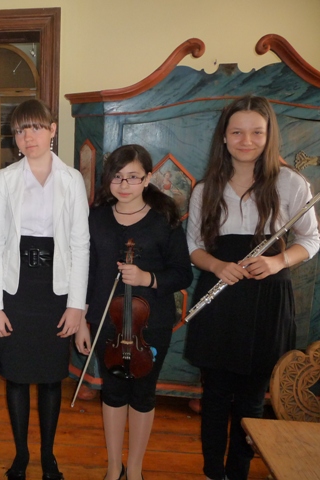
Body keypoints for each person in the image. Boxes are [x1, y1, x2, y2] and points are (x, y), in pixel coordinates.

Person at [184, 95, 320, 480]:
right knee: (214, 395)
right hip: (220, 293)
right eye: (237, 132)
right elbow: (194, 246)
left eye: (257, 132)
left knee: (251, 398)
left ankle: (239, 472)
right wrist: (217, 266)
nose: (247, 141)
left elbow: (311, 239)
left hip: (267, 296)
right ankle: (214, 471)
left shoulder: (291, 183)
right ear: (224, 137)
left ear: (269, 135)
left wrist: (278, 261)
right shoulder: (205, 188)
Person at [0, 98, 90, 480]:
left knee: (50, 376)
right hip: (16, 288)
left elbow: (81, 246)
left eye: (35, 128)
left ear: (52, 130)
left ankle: (47, 456)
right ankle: (21, 455)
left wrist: (76, 306)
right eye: (20, 130)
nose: (28, 137)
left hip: (55, 289)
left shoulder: (72, 180)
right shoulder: (5, 179)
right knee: (16, 375)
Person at [76, 144, 193, 480]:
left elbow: (182, 273)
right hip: (105, 322)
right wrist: (82, 321)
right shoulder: (96, 218)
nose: (124, 184)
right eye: (117, 177)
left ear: (147, 178)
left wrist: (147, 278)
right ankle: (114, 467)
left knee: (142, 395)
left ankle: (136, 470)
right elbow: (86, 272)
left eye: (133, 177)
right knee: (112, 393)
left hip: (150, 325)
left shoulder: (163, 220)